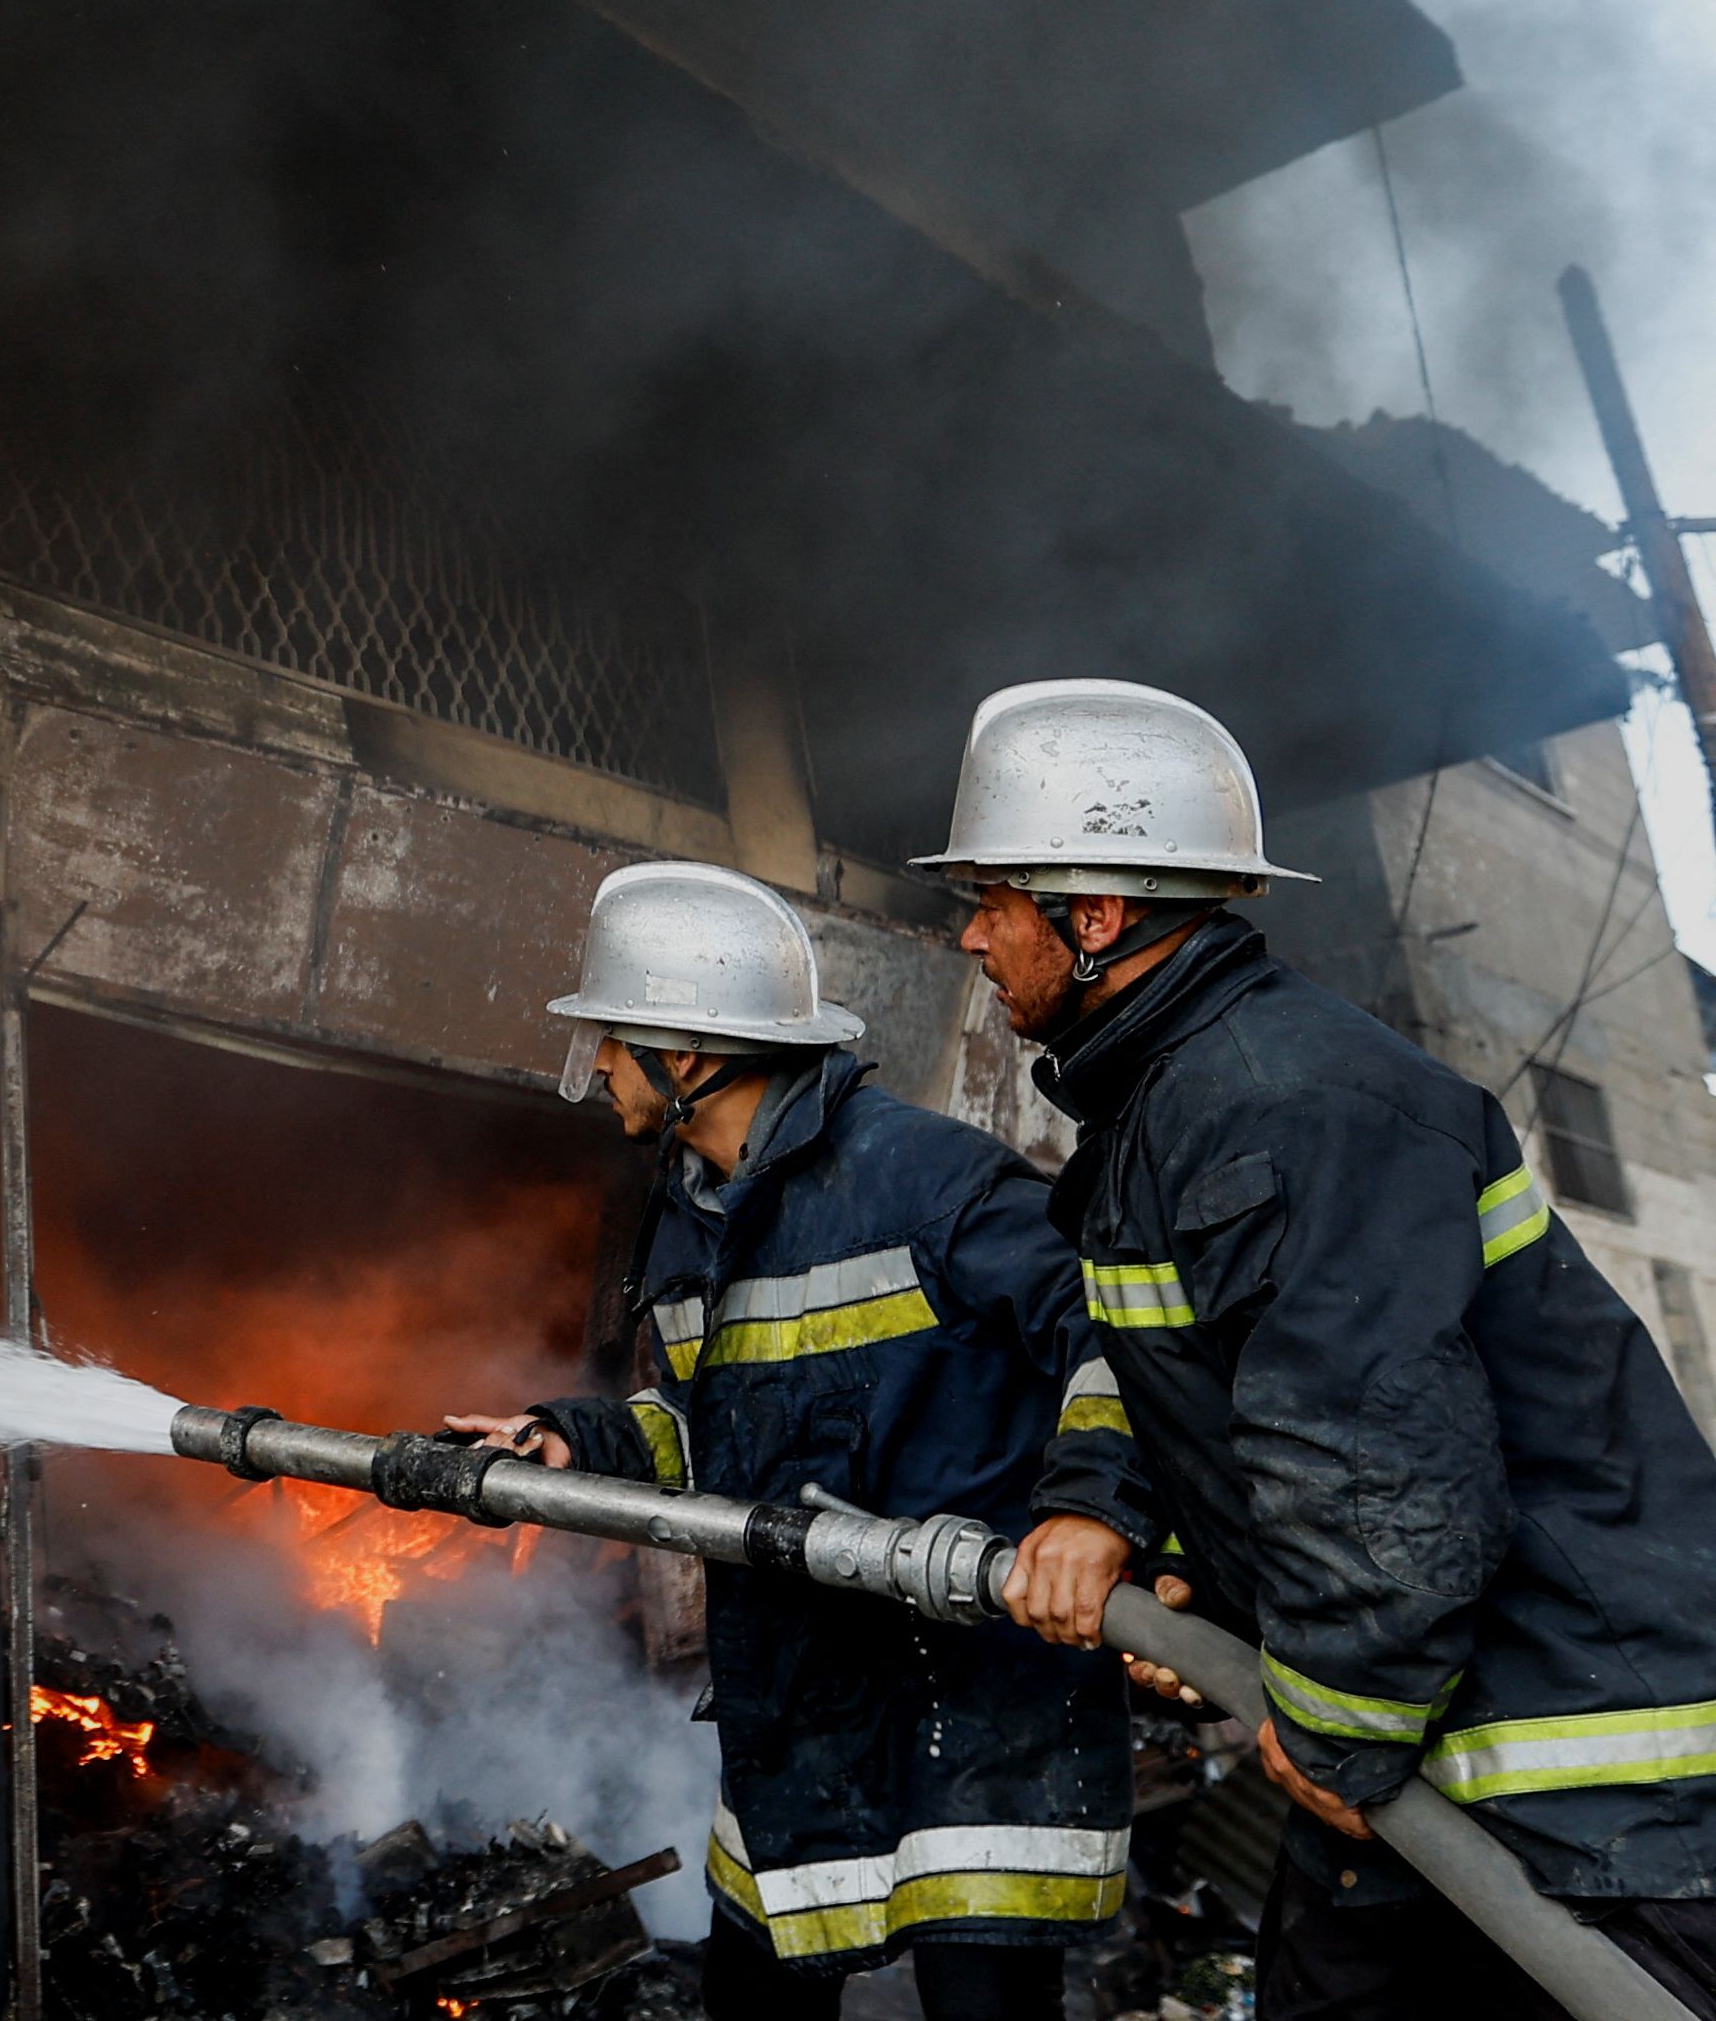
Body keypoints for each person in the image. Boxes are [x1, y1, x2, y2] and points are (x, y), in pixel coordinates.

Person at [918, 677, 1716, 2019]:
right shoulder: (1169, 1105)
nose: (975, 939)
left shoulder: (1277, 1104)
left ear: (1094, 916)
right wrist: (1111, 1515)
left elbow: (1380, 1461)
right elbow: (1156, 1355)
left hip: (1582, 1779)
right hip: (1410, 1743)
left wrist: (1337, 1724)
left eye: (992, 901)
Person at [450, 860, 1154, 2021]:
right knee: (757, 1993)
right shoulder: (691, 1212)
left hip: (974, 1701)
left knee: (983, 1997)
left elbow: (1119, 1340)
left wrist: (1087, 1516)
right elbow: (706, 1428)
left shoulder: (927, 1178)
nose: (601, 1074)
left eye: (614, 1045)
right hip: (797, 1697)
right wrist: (574, 1445)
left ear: (688, 1058)